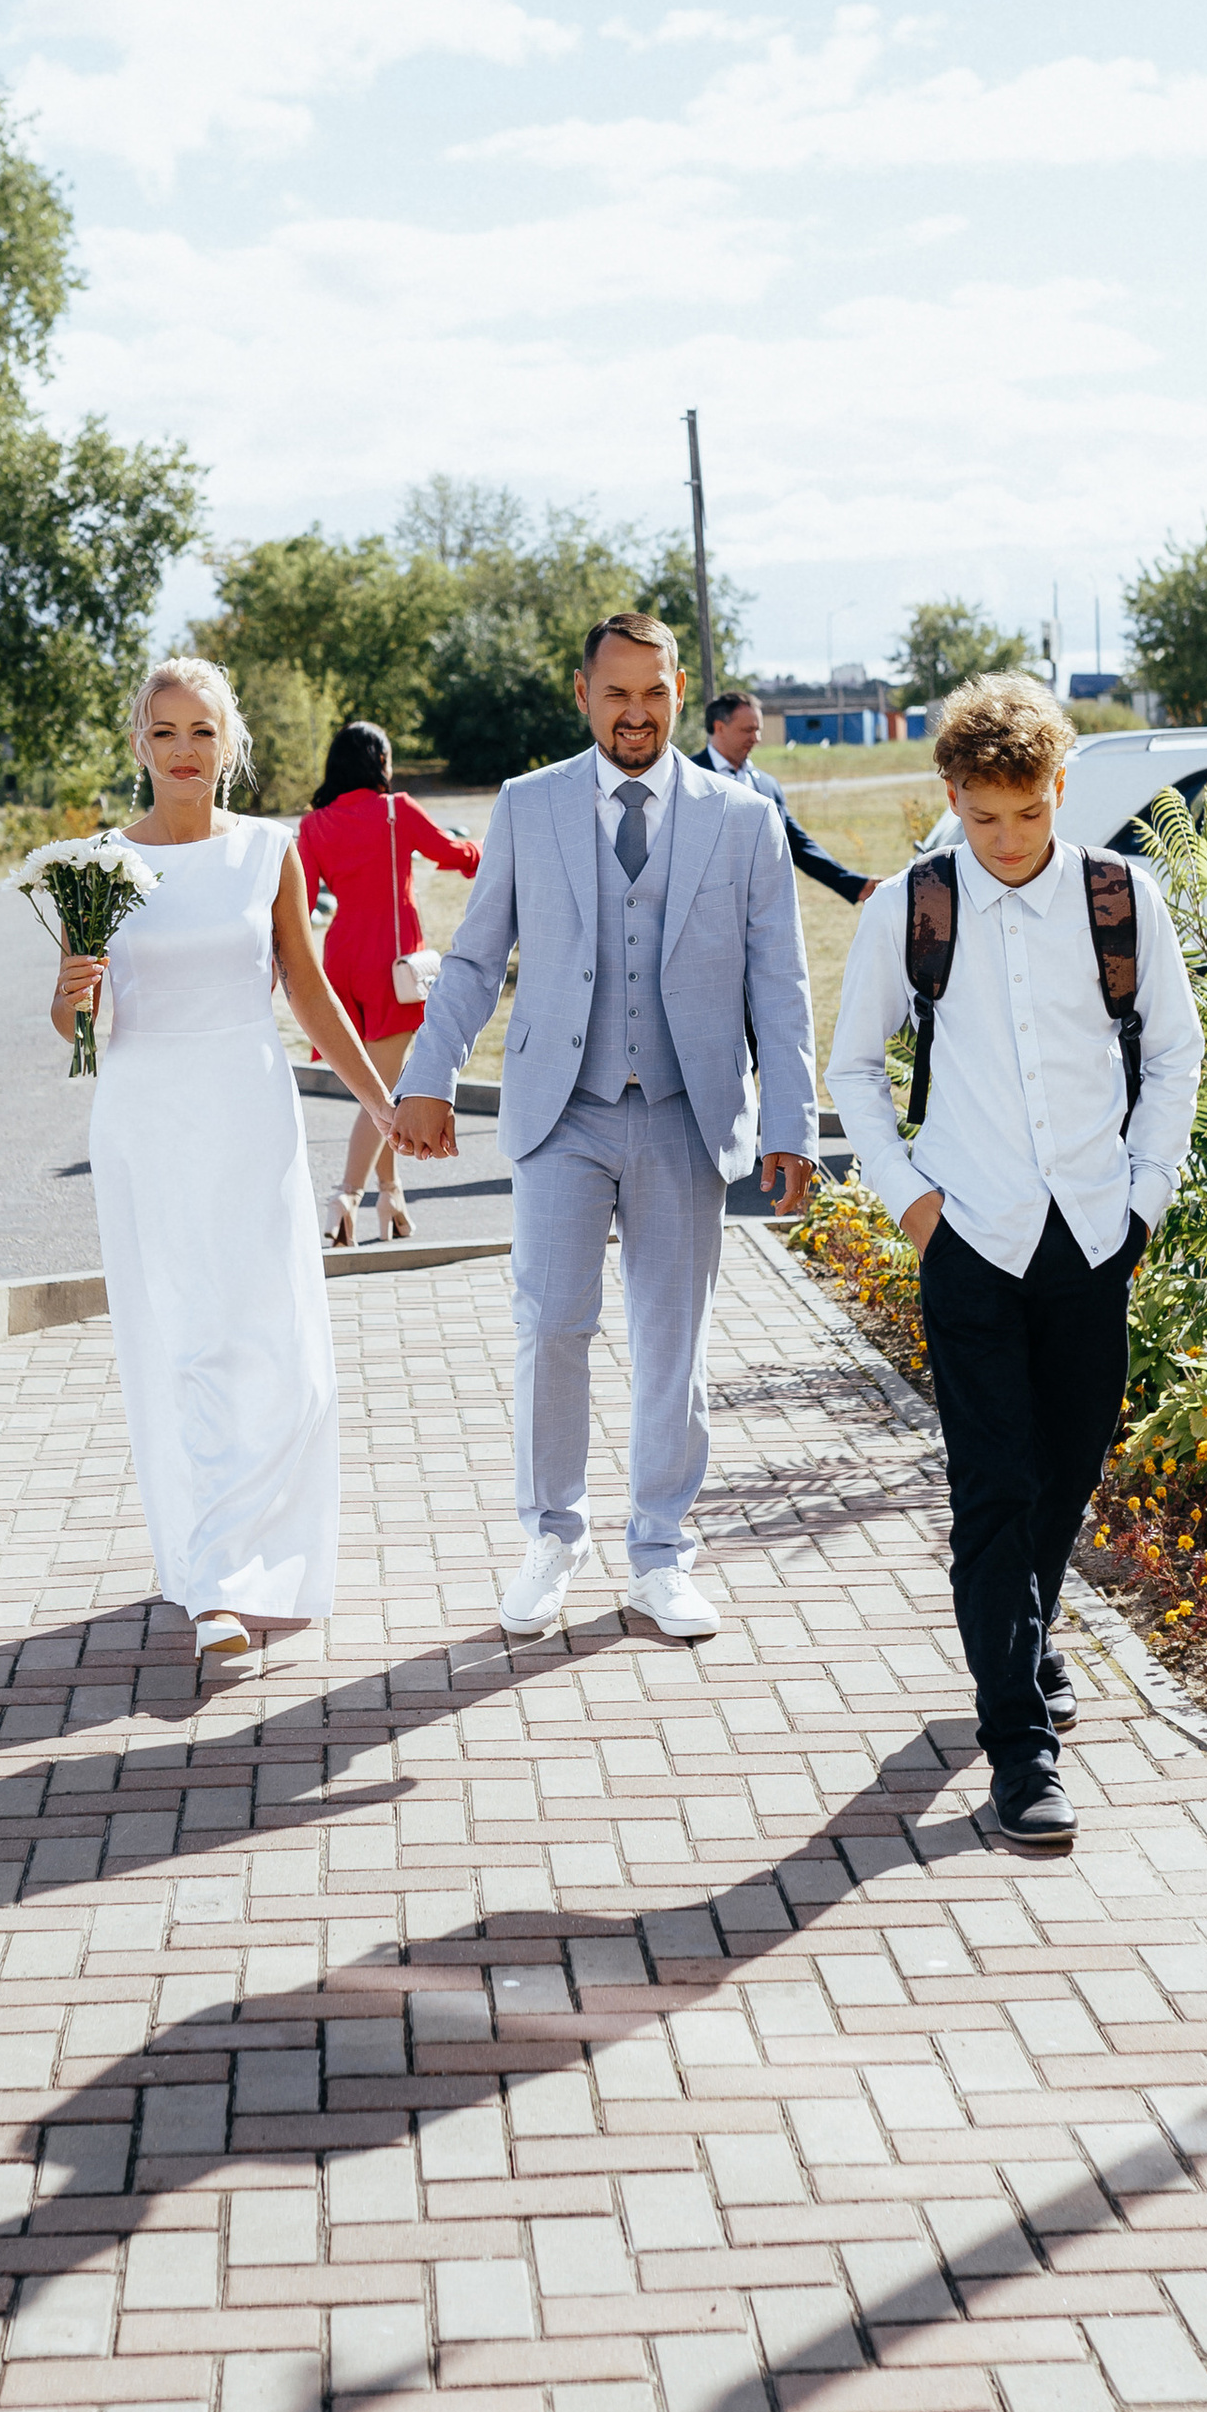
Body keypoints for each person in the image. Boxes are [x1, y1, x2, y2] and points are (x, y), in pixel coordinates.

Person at [828, 674, 1203, 1855]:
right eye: (984, 816)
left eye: (1029, 813)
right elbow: (852, 1070)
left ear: (1059, 789)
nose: (1006, 839)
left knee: (1067, 1470)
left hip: (1093, 1235)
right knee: (993, 1489)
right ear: (951, 796)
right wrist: (913, 1206)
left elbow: (1173, 1055)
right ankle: (1019, 1749)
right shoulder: (913, 907)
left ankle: (1026, 1634)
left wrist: (1144, 1201)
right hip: (970, 1241)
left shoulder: (1120, 899)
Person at [393, 612, 818, 1643]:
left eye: (654, 693)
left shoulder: (742, 818)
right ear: (582, 694)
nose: (636, 713)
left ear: (680, 694)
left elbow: (780, 980)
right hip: (562, 1111)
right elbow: (473, 958)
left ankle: (661, 1553)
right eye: (616, 693)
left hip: (685, 1114)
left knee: (672, 1343)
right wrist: (428, 1074)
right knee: (551, 1327)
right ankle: (552, 1538)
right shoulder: (527, 804)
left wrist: (792, 1122)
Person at [47, 658, 424, 1672]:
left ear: (230, 743)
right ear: (139, 741)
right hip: (147, 1117)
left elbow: (307, 991)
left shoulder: (269, 850)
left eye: (202, 732)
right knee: (185, 1337)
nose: (184, 751)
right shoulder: (95, 865)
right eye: (165, 731)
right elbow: (73, 1026)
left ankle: (264, 1551)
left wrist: (379, 1102)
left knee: (272, 1338)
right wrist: (73, 993)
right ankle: (213, 1578)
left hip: (250, 1111)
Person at [294, 721, 482, 1245]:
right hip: (391, 967)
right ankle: (345, 1197)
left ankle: (390, 1198)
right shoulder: (396, 809)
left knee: (376, 1084)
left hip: (339, 963)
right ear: (379, 761)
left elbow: (302, 903)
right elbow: (451, 853)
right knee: (380, 1095)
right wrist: (487, 849)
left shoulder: (314, 825)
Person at [700, 689, 877, 907]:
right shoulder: (688, 779)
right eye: (748, 730)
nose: (756, 739)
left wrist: (857, 885)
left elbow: (798, 846)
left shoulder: (768, 785)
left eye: (758, 730)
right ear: (719, 727)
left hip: (763, 908)